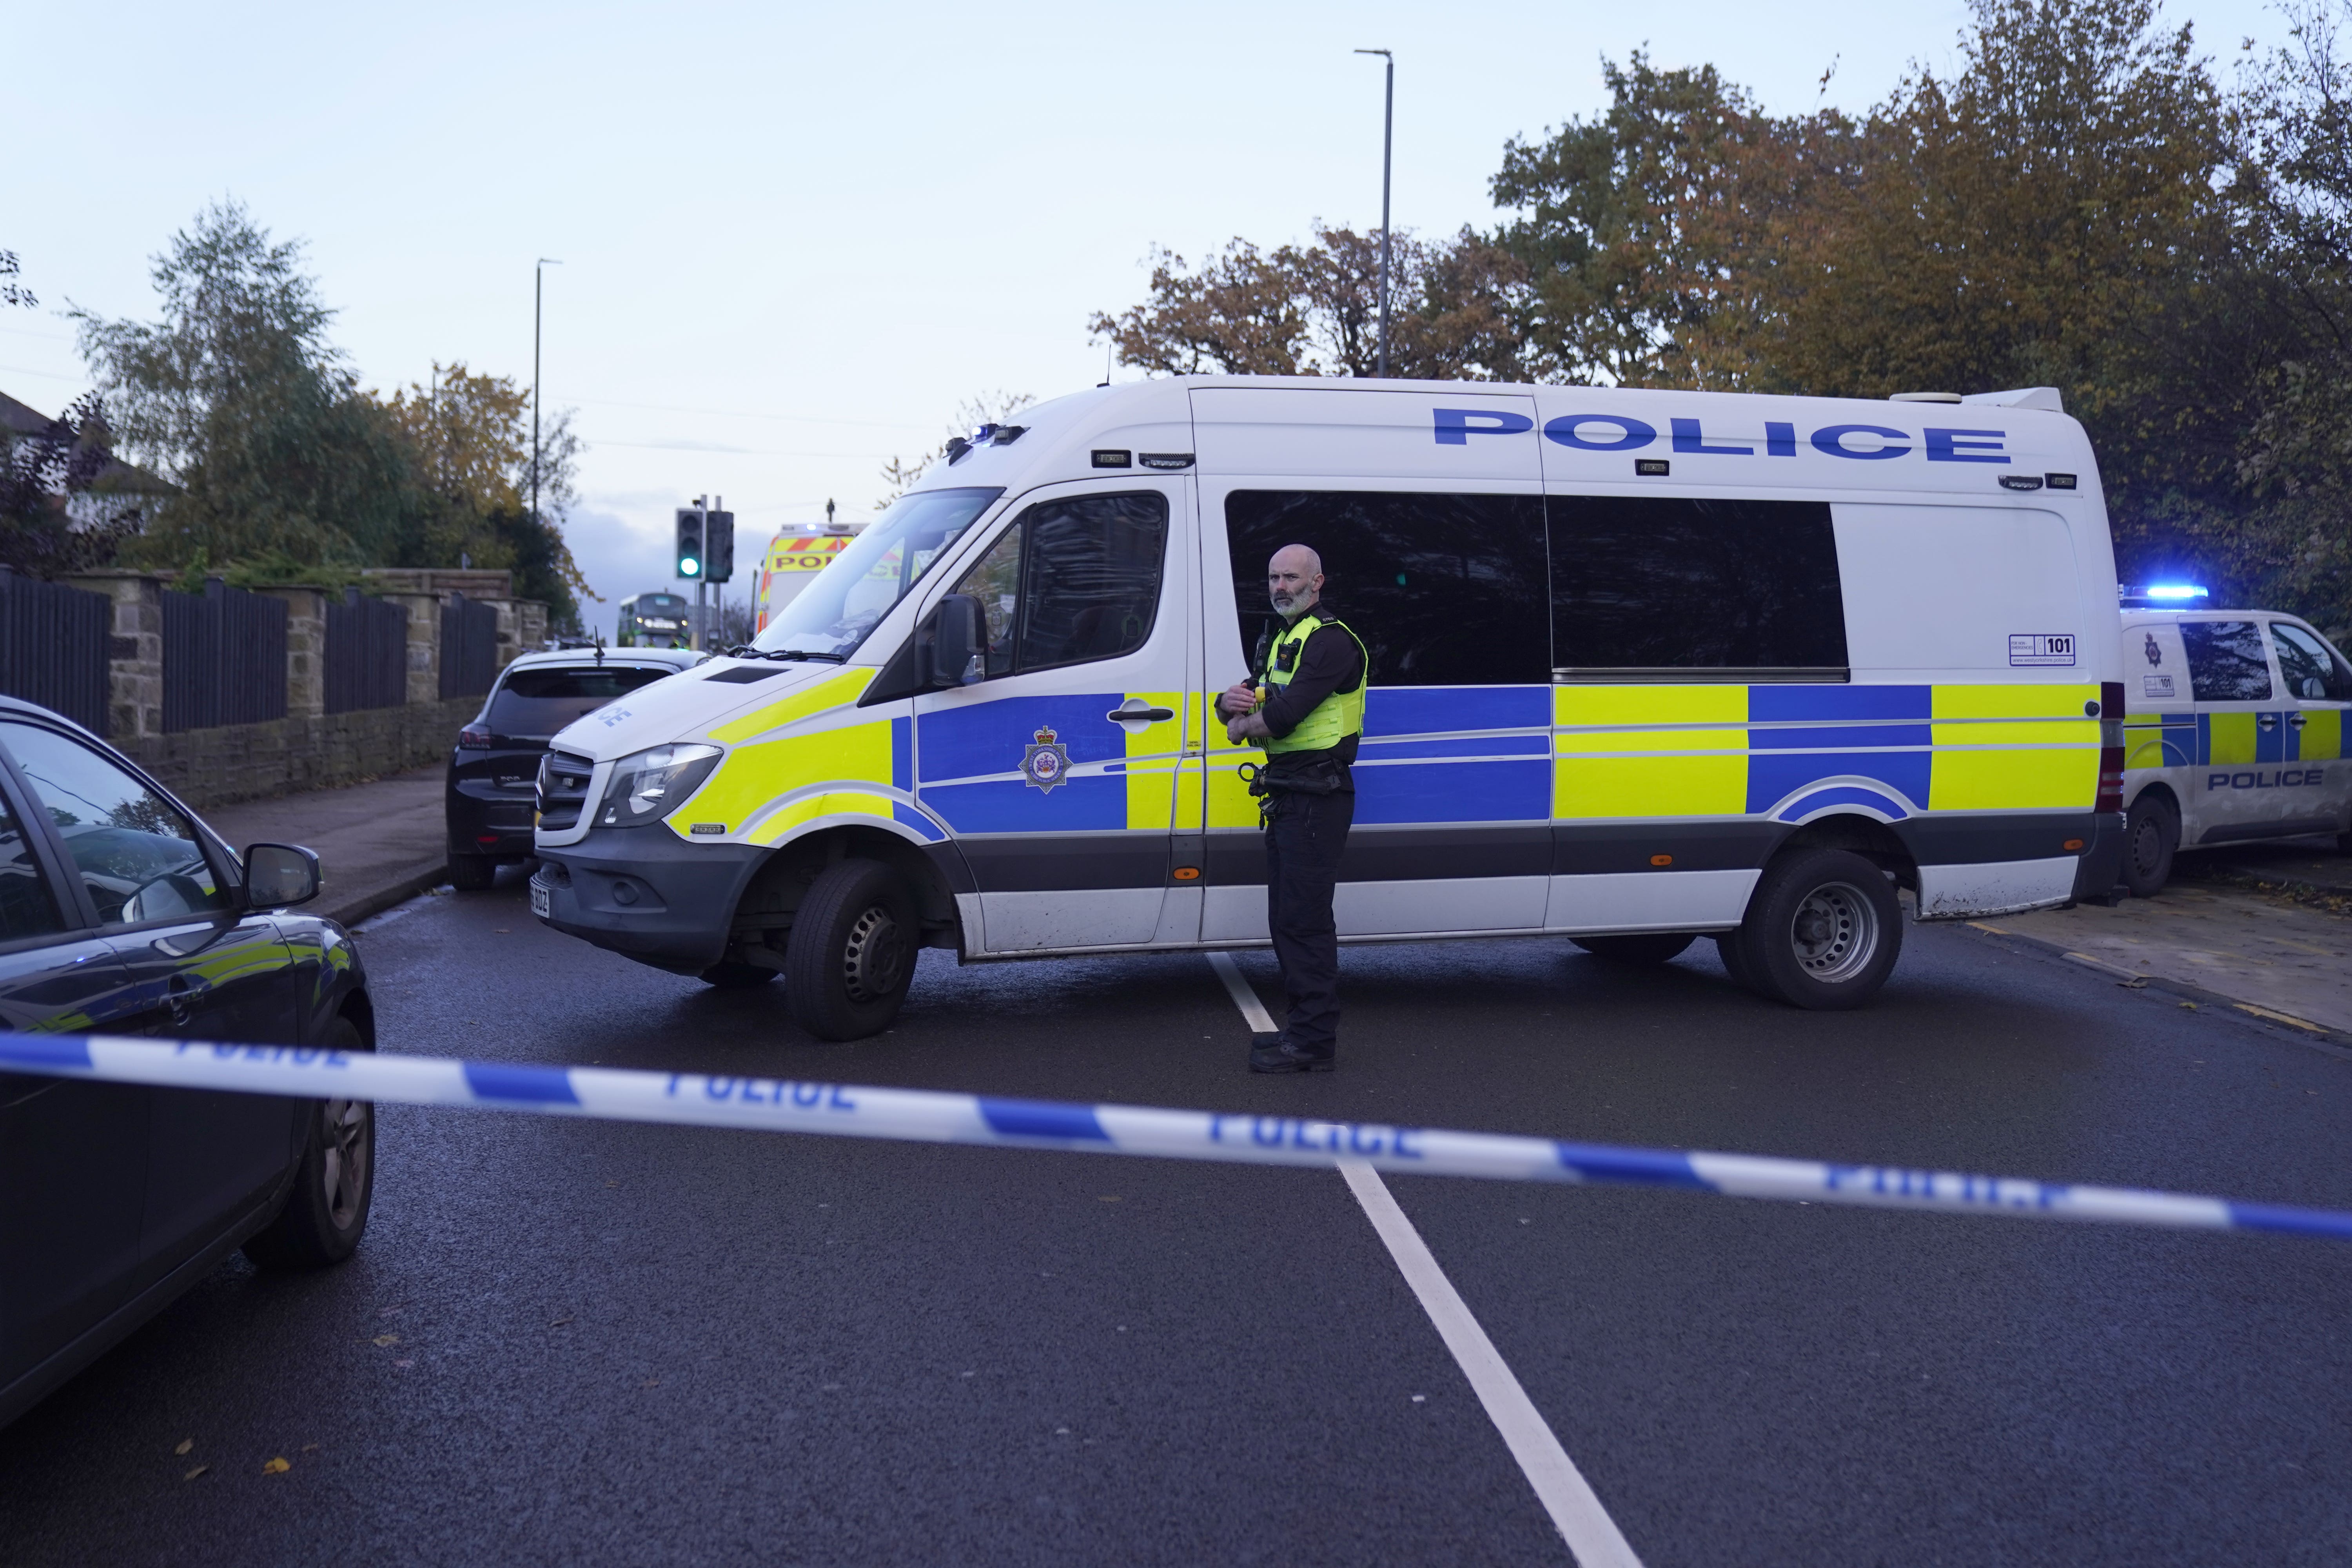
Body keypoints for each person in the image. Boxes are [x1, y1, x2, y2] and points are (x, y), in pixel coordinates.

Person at [1217, 544, 1368, 1073]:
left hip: (1318, 795)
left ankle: (1312, 1042)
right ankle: (1301, 1031)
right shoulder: (1281, 636)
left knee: (1304, 923)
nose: (1281, 586)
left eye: (1291, 578)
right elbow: (1251, 696)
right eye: (1274, 578)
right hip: (1288, 793)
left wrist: (1241, 725)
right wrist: (1227, 707)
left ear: (1317, 582)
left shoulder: (1331, 642)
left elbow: (1283, 717)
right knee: (1286, 919)